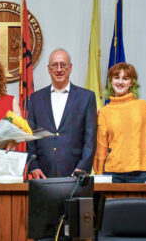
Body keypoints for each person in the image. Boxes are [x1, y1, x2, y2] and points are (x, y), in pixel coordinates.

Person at [27, 48, 97, 179]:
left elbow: (90, 138)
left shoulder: (86, 97)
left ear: (70, 68)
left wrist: (82, 168)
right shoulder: (36, 99)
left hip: (75, 174)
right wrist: (33, 166)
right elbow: (31, 135)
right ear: (49, 69)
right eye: (54, 65)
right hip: (43, 175)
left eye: (63, 65)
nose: (59, 69)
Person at [93, 62, 146, 183]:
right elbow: (101, 147)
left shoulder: (144, 107)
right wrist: (99, 175)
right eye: (116, 78)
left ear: (131, 82)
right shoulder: (104, 112)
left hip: (140, 172)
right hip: (112, 173)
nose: (120, 82)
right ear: (111, 81)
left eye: (125, 78)